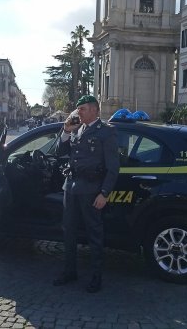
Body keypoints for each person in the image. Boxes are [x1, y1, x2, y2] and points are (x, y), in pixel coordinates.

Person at [53, 95, 120, 293]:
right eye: (78, 109)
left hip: (92, 190)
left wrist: (104, 193)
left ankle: (96, 277)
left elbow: (113, 167)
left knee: (94, 235)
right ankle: (69, 271)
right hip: (71, 188)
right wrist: (65, 131)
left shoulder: (106, 132)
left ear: (94, 110)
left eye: (82, 109)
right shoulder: (76, 130)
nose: (77, 113)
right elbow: (59, 151)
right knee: (69, 232)